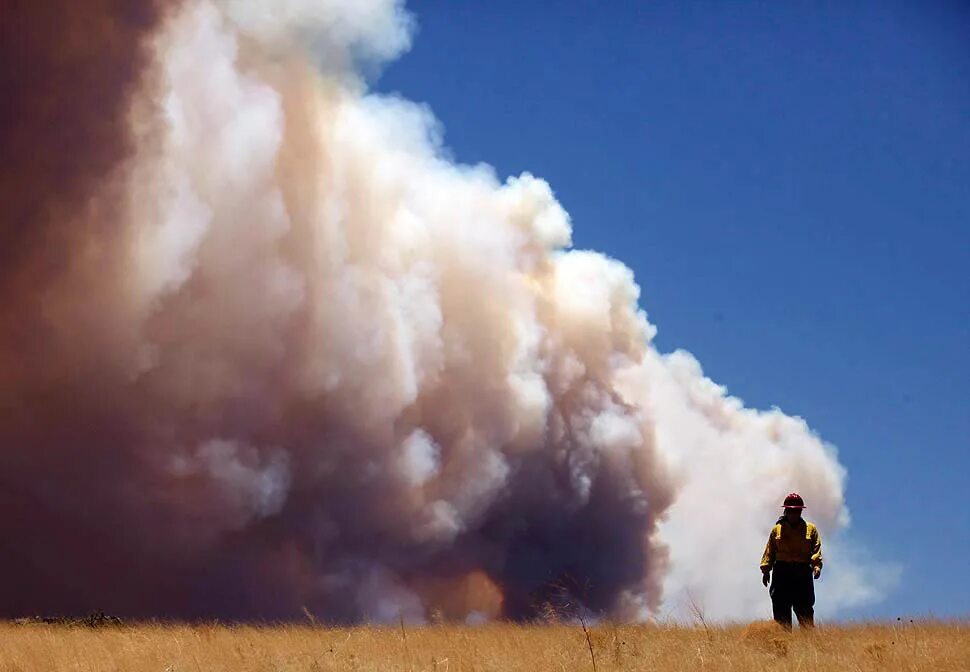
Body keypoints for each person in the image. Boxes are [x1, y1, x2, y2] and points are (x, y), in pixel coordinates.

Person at [760, 492, 822, 629]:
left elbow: (816, 550)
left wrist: (817, 566)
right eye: (791, 511)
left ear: (800, 511)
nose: (794, 514)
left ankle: (808, 646)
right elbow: (769, 552)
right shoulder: (777, 530)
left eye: (797, 511)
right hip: (782, 574)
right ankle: (783, 647)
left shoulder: (810, 529)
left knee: (805, 613)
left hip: (802, 574)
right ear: (786, 511)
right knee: (781, 616)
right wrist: (766, 571)